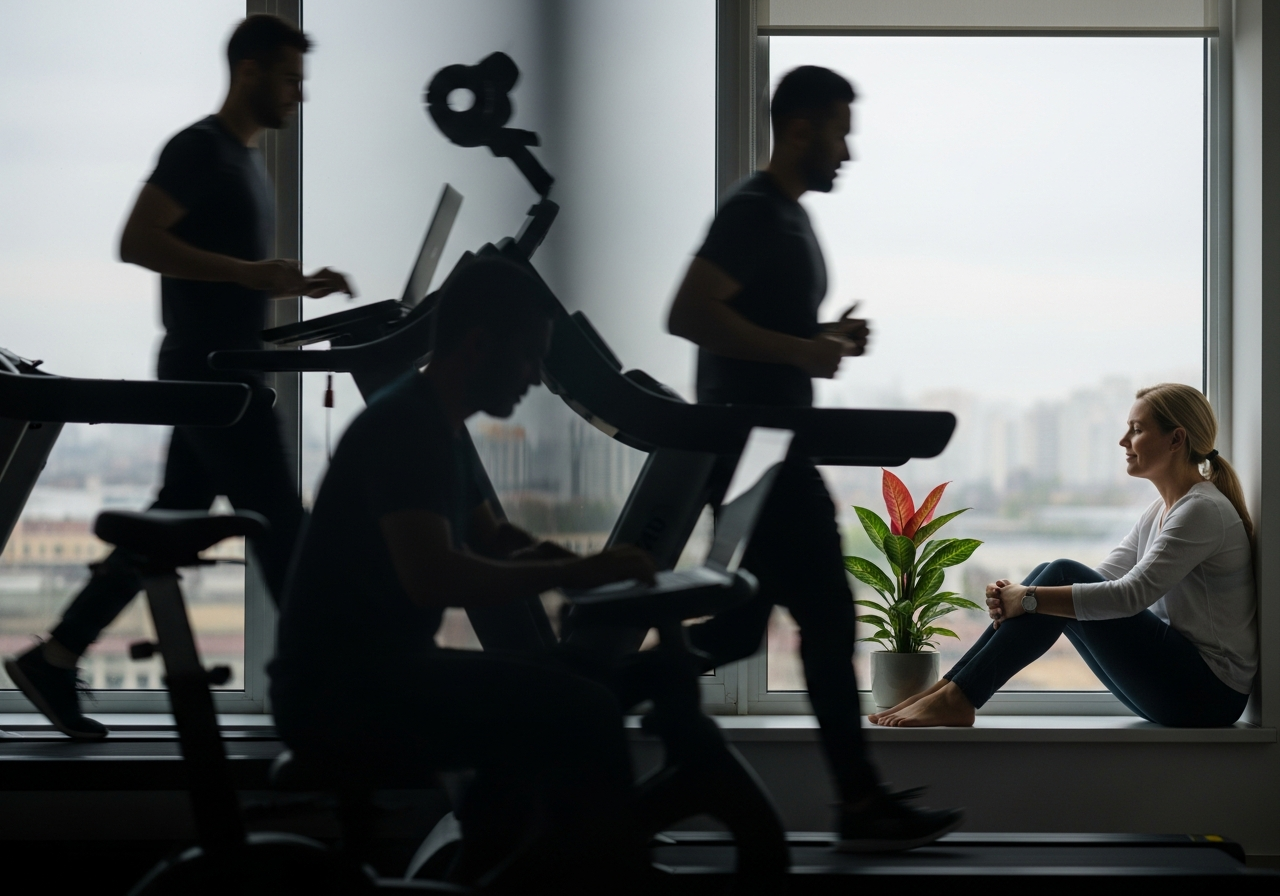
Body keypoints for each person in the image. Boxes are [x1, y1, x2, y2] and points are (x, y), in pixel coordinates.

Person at [5, 14, 353, 739]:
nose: (300, 95)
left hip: (223, 368)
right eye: (291, 79)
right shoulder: (200, 150)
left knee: (168, 518)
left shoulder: (244, 164)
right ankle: (326, 698)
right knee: (282, 525)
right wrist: (252, 274)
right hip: (212, 377)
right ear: (250, 71)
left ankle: (54, 658)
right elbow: (136, 241)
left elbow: (230, 278)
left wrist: (292, 286)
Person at [269, 258, 656, 892]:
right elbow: (436, 578)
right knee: (583, 712)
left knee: (558, 703)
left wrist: (568, 566)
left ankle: (491, 864)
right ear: (479, 345)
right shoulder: (406, 428)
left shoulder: (438, 424)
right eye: (530, 358)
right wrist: (577, 570)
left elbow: (494, 538)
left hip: (380, 672)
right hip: (343, 695)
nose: (535, 378)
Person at [665, 65, 962, 850]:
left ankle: (594, 682)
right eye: (839, 131)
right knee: (827, 615)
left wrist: (823, 339)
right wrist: (805, 348)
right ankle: (860, 804)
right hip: (755, 452)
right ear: (800, 129)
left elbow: (760, 333)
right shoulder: (755, 210)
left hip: (769, 448)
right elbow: (688, 313)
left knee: (735, 633)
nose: (848, 151)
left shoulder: (787, 218)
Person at [872, 383, 1256, 729]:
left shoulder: (1202, 510)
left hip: (1209, 695)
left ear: (1176, 440)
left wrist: (1027, 597)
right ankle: (948, 690)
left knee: (1055, 576)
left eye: (1137, 430)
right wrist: (1026, 594)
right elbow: (1099, 579)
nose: (1123, 440)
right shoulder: (1162, 510)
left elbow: (1128, 596)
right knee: (1051, 575)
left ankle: (958, 697)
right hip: (1182, 688)